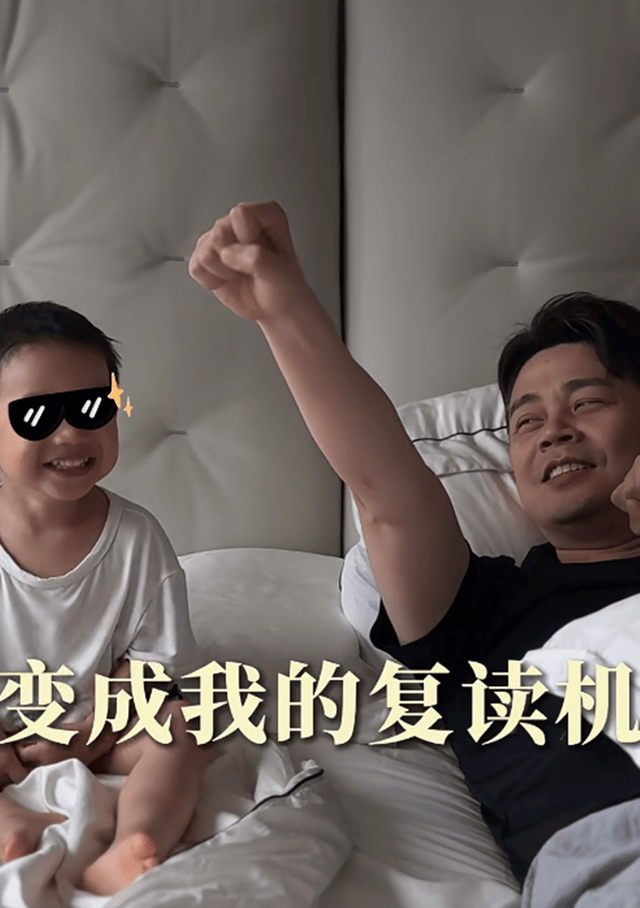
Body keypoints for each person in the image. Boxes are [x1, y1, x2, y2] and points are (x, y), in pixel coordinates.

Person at [188, 200, 640, 887]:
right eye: (526, 422)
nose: (554, 431)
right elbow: (388, 496)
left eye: (587, 403)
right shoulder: (484, 611)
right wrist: (282, 307)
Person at [0, 301, 213, 896]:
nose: (71, 434)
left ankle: (134, 843)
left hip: (96, 726)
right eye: (37, 415)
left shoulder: (137, 539)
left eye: (92, 408)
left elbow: (157, 669)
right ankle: (10, 827)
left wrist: (91, 728)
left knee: (183, 726)